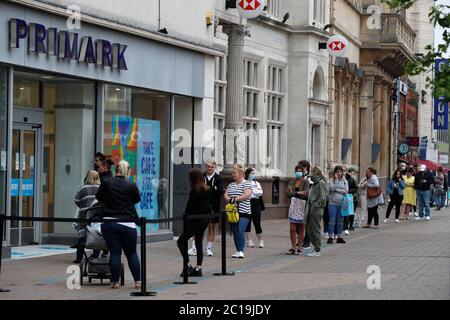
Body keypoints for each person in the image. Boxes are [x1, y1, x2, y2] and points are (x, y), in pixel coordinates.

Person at [96, 160, 141, 289]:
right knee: (131, 253)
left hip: (109, 222)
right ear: (127, 171)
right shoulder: (131, 185)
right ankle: (137, 281)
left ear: (116, 170)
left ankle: (115, 282)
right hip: (127, 223)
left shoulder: (106, 182)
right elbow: (136, 200)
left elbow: (98, 197)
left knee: (115, 252)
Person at [177, 168, 210, 277]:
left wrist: (185, 217)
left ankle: (187, 265)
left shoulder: (194, 191)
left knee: (181, 241)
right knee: (198, 243)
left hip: (195, 221)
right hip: (204, 220)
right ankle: (199, 268)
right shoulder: (206, 189)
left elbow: (189, 208)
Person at [188, 160, 224, 257]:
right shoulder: (201, 176)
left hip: (214, 207)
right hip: (201, 207)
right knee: (197, 228)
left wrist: (208, 188)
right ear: (205, 167)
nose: (210, 168)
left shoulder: (218, 178)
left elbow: (220, 190)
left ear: (214, 167)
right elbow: (196, 188)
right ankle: (194, 248)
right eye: (208, 166)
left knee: (211, 228)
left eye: (212, 167)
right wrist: (212, 188)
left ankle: (209, 248)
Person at [224, 164, 253, 259]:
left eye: (234, 173)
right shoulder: (231, 184)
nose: (232, 174)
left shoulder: (246, 183)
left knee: (240, 230)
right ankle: (238, 250)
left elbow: (247, 194)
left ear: (240, 174)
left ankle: (241, 251)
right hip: (233, 212)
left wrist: (235, 199)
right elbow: (225, 195)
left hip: (244, 212)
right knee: (235, 231)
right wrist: (230, 200)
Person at [73, 170, 101, 263]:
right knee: (96, 235)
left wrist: (83, 206)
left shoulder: (83, 188)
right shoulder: (101, 188)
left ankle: (79, 258)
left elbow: (76, 200)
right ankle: (95, 255)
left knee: (82, 237)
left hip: (83, 215)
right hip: (96, 216)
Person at [286, 165, 309, 255]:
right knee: (292, 228)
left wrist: (296, 192)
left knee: (301, 228)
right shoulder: (292, 181)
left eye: (300, 171)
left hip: (302, 205)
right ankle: (293, 246)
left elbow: (306, 192)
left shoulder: (305, 181)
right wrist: (296, 192)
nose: (298, 172)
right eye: (297, 171)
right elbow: (288, 193)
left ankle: (299, 247)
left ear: (303, 172)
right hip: (293, 204)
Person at [305, 167, 327, 257]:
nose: (311, 175)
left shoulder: (321, 183)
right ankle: (316, 247)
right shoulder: (315, 183)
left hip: (316, 209)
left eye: (312, 173)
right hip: (311, 208)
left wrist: (315, 205)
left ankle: (318, 249)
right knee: (309, 230)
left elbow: (323, 198)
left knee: (315, 229)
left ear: (317, 174)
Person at [327, 166, 348, 244]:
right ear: (335, 172)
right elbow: (331, 188)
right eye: (337, 172)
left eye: (340, 171)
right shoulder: (331, 180)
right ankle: (330, 237)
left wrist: (336, 189)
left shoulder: (344, 181)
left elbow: (346, 191)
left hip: (341, 203)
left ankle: (340, 237)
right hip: (332, 203)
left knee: (340, 221)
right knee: (332, 221)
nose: (339, 173)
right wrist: (335, 181)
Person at [244, 168, 264, 248]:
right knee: (247, 222)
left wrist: (251, 191)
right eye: (252, 173)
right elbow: (244, 192)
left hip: (255, 203)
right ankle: (249, 241)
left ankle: (261, 241)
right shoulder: (244, 183)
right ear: (247, 174)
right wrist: (252, 192)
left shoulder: (257, 183)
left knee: (257, 222)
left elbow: (260, 193)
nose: (253, 175)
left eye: (254, 173)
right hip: (246, 203)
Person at [298, 160, 312, 250]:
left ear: (305, 167)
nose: (299, 170)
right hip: (299, 201)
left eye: (301, 167)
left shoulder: (309, 178)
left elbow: (309, 190)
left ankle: (307, 241)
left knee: (306, 222)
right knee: (299, 221)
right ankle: (301, 240)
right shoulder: (299, 177)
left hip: (307, 201)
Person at [343, 167, 358, 233]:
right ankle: (344, 226)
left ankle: (350, 226)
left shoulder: (351, 178)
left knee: (351, 212)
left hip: (351, 198)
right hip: (342, 198)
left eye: (344, 171)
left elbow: (355, 188)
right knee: (344, 212)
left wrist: (349, 191)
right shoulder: (338, 178)